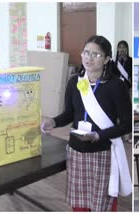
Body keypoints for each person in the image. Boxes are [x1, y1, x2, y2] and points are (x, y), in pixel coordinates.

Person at [41, 35, 132, 211]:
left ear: (106, 59)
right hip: (77, 150)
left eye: (96, 55)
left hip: (102, 151)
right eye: (86, 53)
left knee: (102, 202)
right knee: (80, 202)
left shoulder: (116, 86)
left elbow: (127, 124)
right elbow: (69, 114)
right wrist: (53, 122)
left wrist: (99, 135)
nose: (89, 58)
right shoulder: (75, 82)